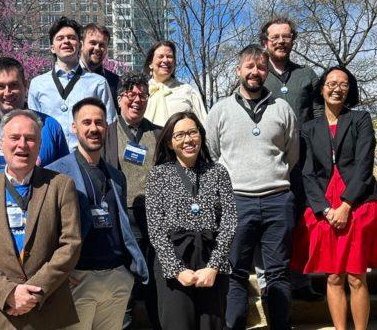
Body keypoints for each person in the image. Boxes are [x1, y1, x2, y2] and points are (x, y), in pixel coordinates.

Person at [0, 109, 82, 329]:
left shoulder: (61, 186)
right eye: (15, 138)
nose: (22, 145)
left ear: (39, 144)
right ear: (0, 143)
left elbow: (70, 244)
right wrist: (9, 293)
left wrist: (33, 291)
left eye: (30, 138)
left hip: (47, 310)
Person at [205, 44, 299, 330]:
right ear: (239, 71)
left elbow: (291, 153)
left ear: (267, 71)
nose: (255, 72)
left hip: (277, 201)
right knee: (235, 273)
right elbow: (211, 152)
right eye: (249, 66)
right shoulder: (220, 109)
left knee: (278, 273)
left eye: (260, 67)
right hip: (236, 202)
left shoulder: (282, 108)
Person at [290, 66, 377, 330]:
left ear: (349, 90)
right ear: (321, 89)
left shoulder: (361, 119)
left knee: (356, 276)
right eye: (331, 83)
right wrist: (325, 209)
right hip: (324, 206)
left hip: (357, 202)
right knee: (333, 276)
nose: (337, 88)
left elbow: (364, 164)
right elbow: (307, 172)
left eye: (343, 84)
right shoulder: (308, 128)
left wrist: (345, 205)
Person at [46, 97, 148, 329]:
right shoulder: (55, 174)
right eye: (87, 122)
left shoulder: (116, 176)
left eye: (99, 123)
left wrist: (127, 273)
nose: (94, 128)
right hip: (77, 277)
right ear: (74, 127)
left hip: (116, 277)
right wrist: (58, 273)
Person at [145, 111, 237, 330]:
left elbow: (229, 221)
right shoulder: (158, 175)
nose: (188, 140)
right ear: (169, 142)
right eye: (180, 135)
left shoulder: (218, 172)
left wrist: (213, 267)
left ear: (201, 135)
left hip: (211, 259)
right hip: (174, 263)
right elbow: (155, 229)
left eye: (193, 132)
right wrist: (177, 270)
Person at [256, 16, 324, 301]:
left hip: (304, 162)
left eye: (286, 36)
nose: (281, 41)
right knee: (269, 220)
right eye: (275, 37)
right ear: (265, 42)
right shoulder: (258, 74)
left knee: (300, 222)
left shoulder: (306, 74)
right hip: (268, 161)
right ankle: (268, 282)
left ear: (293, 40)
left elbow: (320, 114)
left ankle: (300, 280)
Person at [102, 71, 162, 329]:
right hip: (122, 219)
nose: (137, 99)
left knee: (156, 285)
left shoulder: (159, 133)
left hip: (154, 220)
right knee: (126, 286)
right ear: (119, 99)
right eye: (131, 94)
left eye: (142, 95)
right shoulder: (107, 133)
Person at [0, 57, 69, 188]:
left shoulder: (50, 127)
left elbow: (64, 176)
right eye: (1, 86)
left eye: (13, 85)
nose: (7, 92)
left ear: (25, 85)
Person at [28, 17, 117, 148]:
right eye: (60, 38)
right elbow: (33, 127)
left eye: (71, 37)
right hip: (50, 161)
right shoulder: (38, 84)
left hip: (85, 159)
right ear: (52, 48)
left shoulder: (98, 83)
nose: (66, 41)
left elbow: (110, 125)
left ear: (80, 45)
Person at [143, 40, 207, 127]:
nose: (165, 60)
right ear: (150, 63)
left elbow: (204, 126)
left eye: (169, 56)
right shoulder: (140, 91)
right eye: (160, 56)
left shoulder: (188, 91)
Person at [80, 23, 120, 110]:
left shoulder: (115, 82)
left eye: (102, 45)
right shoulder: (68, 76)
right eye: (93, 43)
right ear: (81, 45)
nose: (97, 48)